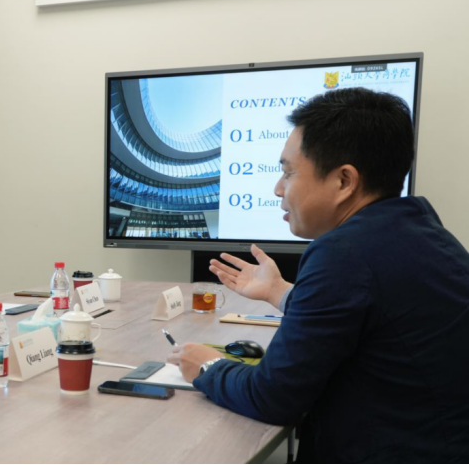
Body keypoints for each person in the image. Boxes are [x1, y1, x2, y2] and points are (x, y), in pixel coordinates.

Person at [169, 88, 469, 463]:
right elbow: (371, 317)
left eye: (288, 172)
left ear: (344, 181)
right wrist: (280, 292)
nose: (278, 189)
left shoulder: (343, 253)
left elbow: (272, 397)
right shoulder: (421, 232)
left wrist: (208, 367)